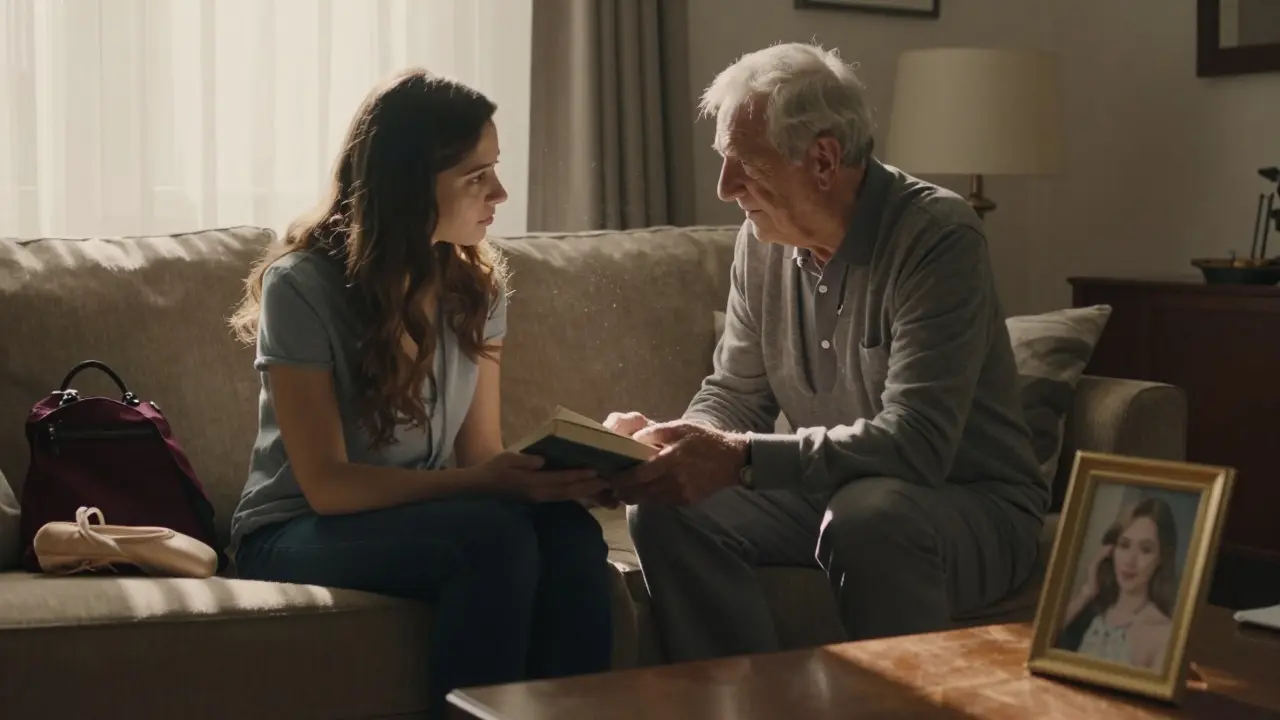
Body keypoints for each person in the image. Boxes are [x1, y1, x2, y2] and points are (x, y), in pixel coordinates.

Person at [603, 42, 1049, 662]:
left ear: (822, 159)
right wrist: (676, 444)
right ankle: (745, 704)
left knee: (869, 514)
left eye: (744, 163)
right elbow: (735, 393)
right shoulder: (759, 244)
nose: (725, 187)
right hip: (834, 491)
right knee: (666, 510)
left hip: (968, 503)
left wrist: (738, 458)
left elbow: (917, 444)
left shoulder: (938, 237)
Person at [226, 68, 613, 717]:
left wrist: (556, 476)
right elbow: (328, 485)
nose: (500, 191)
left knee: (569, 535)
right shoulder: (301, 288)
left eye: (496, 168)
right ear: (410, 186)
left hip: (422, 518)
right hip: (298, 528)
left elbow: (478, 456)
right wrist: (485, 486)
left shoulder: (477, 290)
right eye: (476, 176)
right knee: (490, 540)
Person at [1056, 498, 1178, 670]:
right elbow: (1041, 643)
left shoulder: (1163, 633)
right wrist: (1087, 592)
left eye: (1145, 549)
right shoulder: (1091, 611)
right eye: (1124, 545)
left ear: (1161, 558)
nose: (1130, 561)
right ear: (1110, 551)